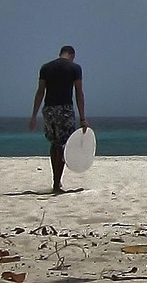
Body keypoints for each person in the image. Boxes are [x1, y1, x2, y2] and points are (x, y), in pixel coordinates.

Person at [29, 45, 88, 194]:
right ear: (72, 55)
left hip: (48, 109)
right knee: (63, 145)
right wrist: (83, 118)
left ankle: (56, 181)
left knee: (54, 144)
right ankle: (56, 184)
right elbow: (79, 94)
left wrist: (34, 116)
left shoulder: (46, 68)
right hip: (65, 109)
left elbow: (40, 92)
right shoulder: (75, 68)